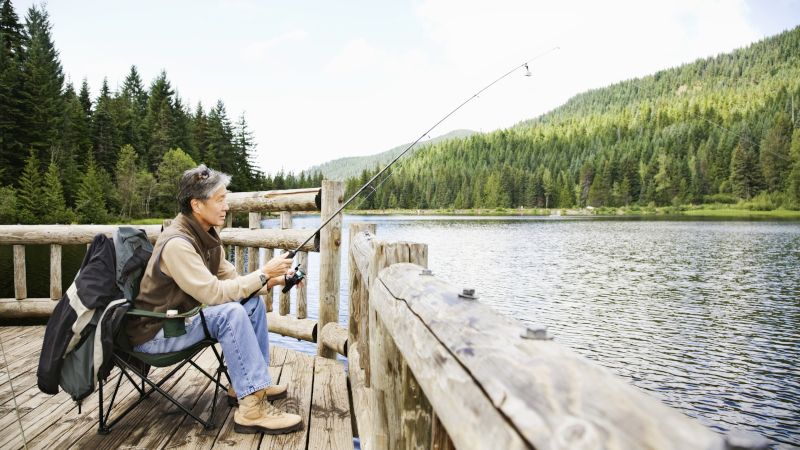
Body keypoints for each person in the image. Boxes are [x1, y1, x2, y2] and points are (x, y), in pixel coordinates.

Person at [126, 164, 303, 435]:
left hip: (178, 322)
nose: (226, 206)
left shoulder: (206, 236)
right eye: (220, 199)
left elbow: (233, 283)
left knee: (251, 304)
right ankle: (251, 410)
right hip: (155, 333)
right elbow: (214, 294)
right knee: (230, 313)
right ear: (197, 205)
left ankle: (248, 386)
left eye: (226, 198)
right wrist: (264, 271)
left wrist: (272, 281)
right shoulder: (178, 244)